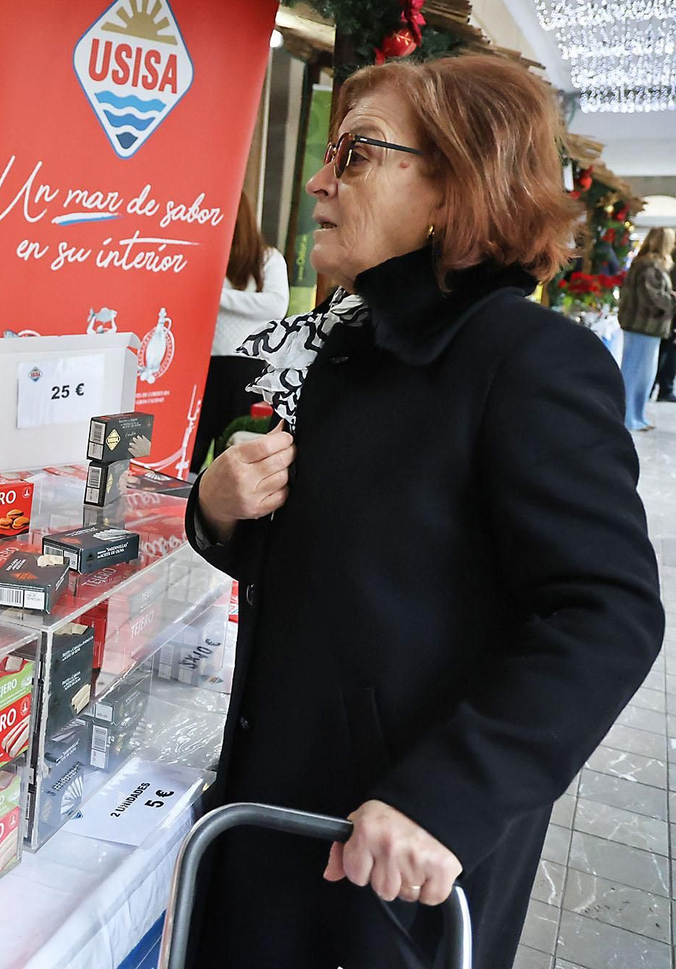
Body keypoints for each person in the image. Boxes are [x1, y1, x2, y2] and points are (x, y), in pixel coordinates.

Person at [186, 53, 662, 968]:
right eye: (331, 154)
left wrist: (444, 797)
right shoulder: (351, 351)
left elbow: (609, 613)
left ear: (456, 181)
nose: (320, 181)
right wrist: (218, 509)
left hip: (392, 867)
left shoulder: (528, 361)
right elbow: (335, 570)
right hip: (278, 811)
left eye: (357, 154)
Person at [191, 192, 289, 470]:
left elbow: (276, 305)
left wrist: (217, 296)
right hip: (201, 365)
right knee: (192, 452)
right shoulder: (205, 256)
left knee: (233, 455)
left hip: (246, 367)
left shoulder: (267, 258)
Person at [618, 227, 675, 430]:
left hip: (645, 325)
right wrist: (672, 300)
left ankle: (636, 415)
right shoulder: (651, 265)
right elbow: (651, 295)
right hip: (644, 324)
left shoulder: (646, 263)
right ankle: (629, 418)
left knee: (643, 373)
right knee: (636, 372)